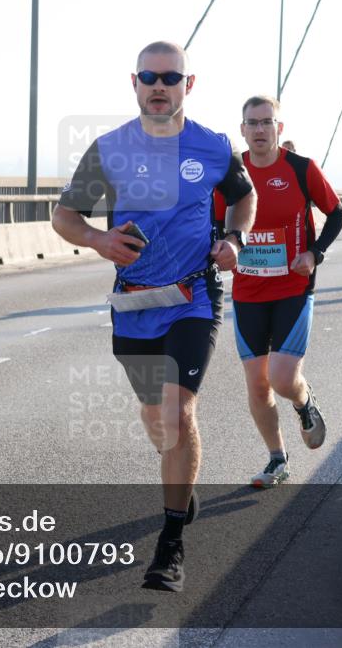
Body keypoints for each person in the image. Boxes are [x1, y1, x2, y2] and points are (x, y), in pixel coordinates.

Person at [52, 41, 256, 592]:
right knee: (156, 419)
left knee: (177, 410)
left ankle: (171, 544)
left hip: (193, 297)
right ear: (135, 83)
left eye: (170, 77)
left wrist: (233, 238)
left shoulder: (212, 146)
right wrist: (98, 238)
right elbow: (64, 215)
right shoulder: (110, 148)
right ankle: (177, 481)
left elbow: (244, 195)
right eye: (149, 76)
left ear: (189, 85)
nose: (159, 85)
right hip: (135, 302)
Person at [219, 95, 342, 489]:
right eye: (252, 123)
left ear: (279, 128)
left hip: (293, 285)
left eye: (266, 122)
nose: (259, 129)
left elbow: (336, 212)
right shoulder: (230, 174)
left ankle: (303, 400)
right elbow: (212, 222)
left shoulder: (301, 169)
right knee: (257, 382)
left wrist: (315, 252)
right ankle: (277, 459)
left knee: (281, 377)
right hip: (247, 290)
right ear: (242, 129)